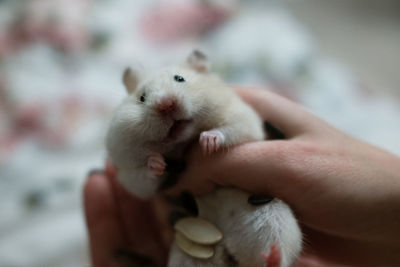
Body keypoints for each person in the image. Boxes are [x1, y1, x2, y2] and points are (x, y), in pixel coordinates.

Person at [84, 86, 400, 267]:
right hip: (195, 223)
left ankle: (272, 258)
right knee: (187, 252)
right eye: (142, 99)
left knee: (271, 218)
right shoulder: (134, 156)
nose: (166, 103)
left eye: (179, 80)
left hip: (249, 204)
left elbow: (246, 124)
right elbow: (134, 181)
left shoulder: (225, 108)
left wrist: (224, 134)